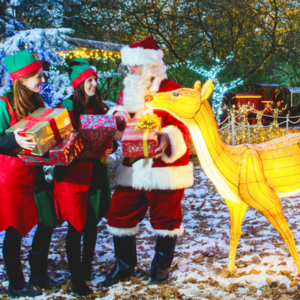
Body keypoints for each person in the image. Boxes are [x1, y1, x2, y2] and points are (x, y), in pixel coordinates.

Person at [100, 36, 194, 286]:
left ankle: (160, 268)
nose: (131, 70)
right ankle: (124, 266)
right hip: (133, 166)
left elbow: (184, 127)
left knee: (166, 220)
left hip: (164, 167)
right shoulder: (125, 93)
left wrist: (167, 136)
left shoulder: (173, 90)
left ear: (152, 66)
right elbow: (122, 118)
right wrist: (116, 123)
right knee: (119, 214)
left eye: (136, 66)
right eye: (129, 66)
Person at [54, 58, 124, 296]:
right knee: (76, 226)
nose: (94, 84)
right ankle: (75, 279)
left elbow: (110, 139)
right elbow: (57, 142)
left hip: (95, 173)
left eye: (95, 79)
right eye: (89, 80)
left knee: (92, 224)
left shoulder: (101, 107)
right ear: (79, 83)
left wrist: (110, 149)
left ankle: (85, 270)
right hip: (72, 176)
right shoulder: (66, 107)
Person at [0, 49, 63, 297]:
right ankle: (16, 284)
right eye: (38, 76)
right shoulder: (3, 104)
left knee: (47, 220)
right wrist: (12, 138)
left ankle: (38, 274)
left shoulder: (37, 101)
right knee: (14, 228)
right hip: (12, 178)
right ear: (21, 80)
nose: (43, 80)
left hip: (34, 174)